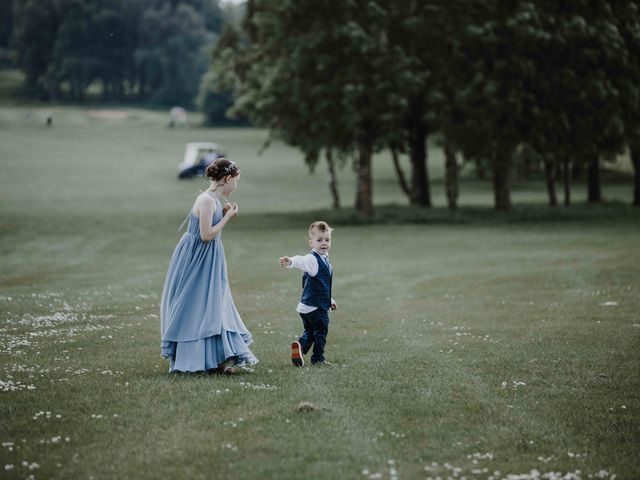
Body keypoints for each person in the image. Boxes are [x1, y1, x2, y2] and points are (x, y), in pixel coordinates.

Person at [160, 158, 257, 374]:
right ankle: (194, 360)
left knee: (214, 304)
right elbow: (205, 235)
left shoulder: (214, 201)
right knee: (196, 304)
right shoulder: (205, 199)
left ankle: (217, 361)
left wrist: (221, 215)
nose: (236, 186)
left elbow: (210, 230)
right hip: (196, 257)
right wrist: (228, 218)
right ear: (227, 179)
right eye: (236, 181)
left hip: (210, 257)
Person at [279, 221, 337, 367]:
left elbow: (321, 285)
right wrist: (291, 261)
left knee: (310, 332)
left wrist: (329, 299)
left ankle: (299, 347)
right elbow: (302, 260)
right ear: (311, 243)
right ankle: (318, 359)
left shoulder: (325, 258)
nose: (324, 243)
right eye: (319, 240)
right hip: (316, 307)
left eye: (327, 240)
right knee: (320, 332)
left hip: (308, 306)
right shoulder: (312, 259)